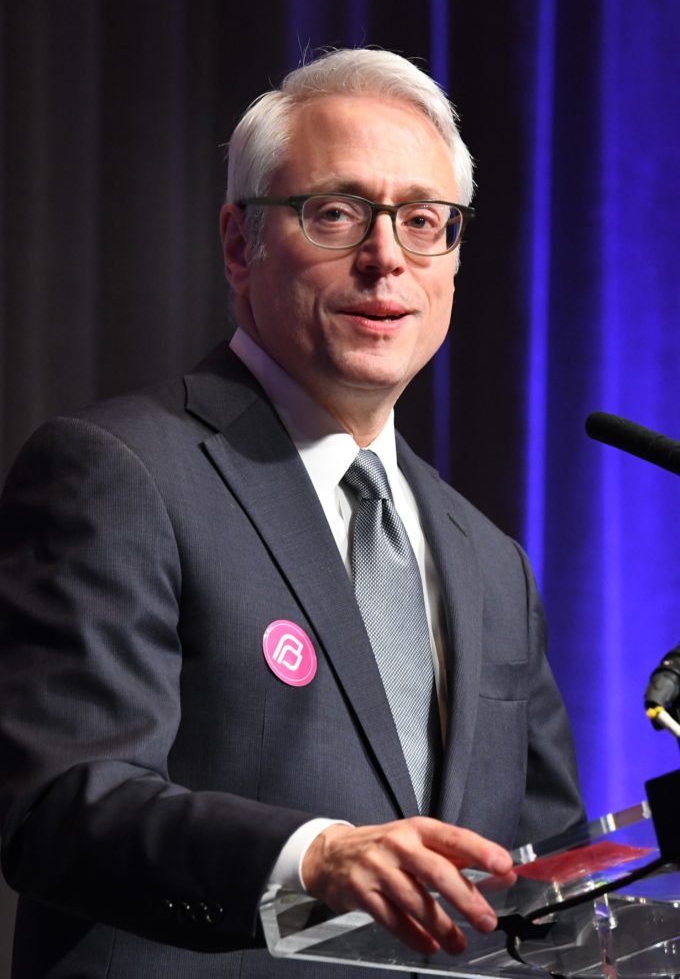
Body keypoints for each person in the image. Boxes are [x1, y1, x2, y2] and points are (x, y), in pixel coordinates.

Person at [0, 48, 584, 979]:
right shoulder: (121, 472)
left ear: (454, 260)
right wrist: (313, 857)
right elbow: (62, 803)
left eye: (424, 221)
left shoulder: (488, 560)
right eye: (338, 212)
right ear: (241, 243)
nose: (386, 255)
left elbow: (550, 879)